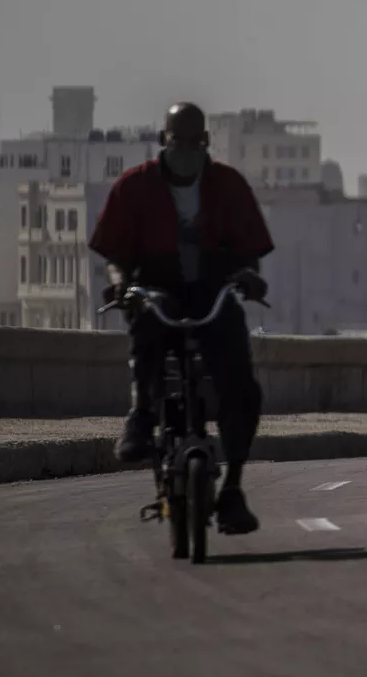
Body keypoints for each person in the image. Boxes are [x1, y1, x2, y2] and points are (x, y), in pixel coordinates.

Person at [89, 102, 274, 535]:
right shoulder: (134, 188)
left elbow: (250, 253)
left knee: (241, 385)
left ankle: (233, 486)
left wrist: (248, 277)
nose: (187, 150)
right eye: (179, 142)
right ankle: (140, 415)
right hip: (159, 289)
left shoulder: (228, 186)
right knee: (149, 330)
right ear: (164, 142)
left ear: (206, 143)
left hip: (212, 293)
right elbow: (116, 256)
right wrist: (123, 285)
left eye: (194, 143)